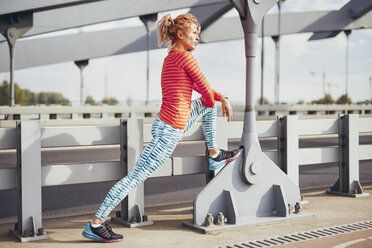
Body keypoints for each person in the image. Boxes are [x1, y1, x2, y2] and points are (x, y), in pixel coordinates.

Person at [82, 13, 241, 243]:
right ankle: (95, 223)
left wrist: (219, 98)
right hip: (169, 131)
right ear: (180, 34)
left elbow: (204, 95)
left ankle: (215, 155)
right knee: (135, 177)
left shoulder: (171, 57)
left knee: (207, 108)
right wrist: (218, 98)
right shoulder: (186, 59)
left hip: (173, 121)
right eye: (194, 32)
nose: (197, 36)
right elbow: (205, 92)